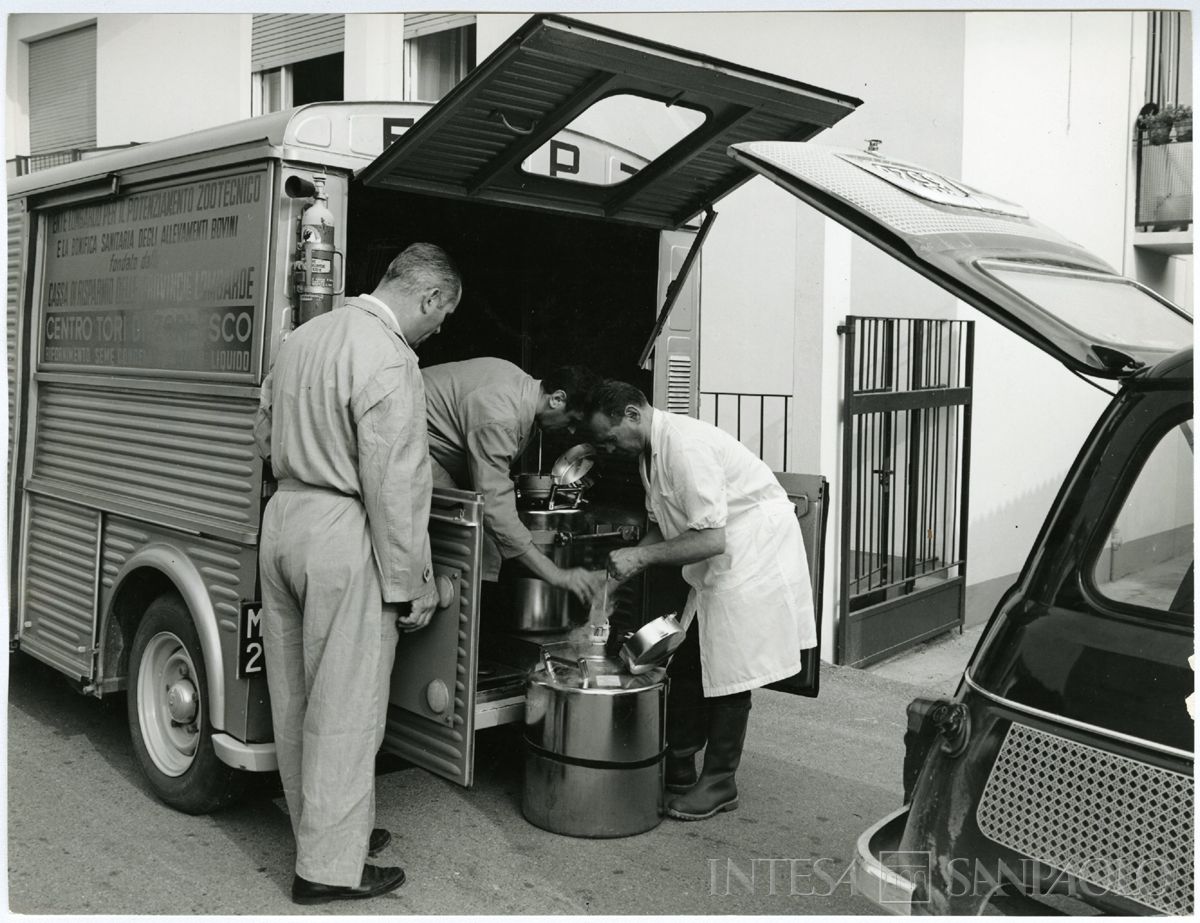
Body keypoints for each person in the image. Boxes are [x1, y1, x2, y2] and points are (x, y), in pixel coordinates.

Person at [254, 242, 462, 904]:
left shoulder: (303, 338)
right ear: (429, 297)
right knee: (346, 704)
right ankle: (327, 868)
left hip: (284, 517)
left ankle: (324, 829)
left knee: (294, 694)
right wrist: (414, 583)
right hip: (343, 530)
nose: (439, 330)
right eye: (443, 314)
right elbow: (395, 481)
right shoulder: (390, 357)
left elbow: (261, 431)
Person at [587, 380, 817, 821]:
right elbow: (664, 527)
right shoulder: (649, 456)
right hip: (722, 554)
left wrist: (640, 555)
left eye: (610, 436)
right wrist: (620, 574)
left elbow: (710, 539)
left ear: (633, 415)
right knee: (690, 654)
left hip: (750, 551)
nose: (608, 447)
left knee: (731, 668)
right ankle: (679, 762)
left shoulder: (685, 449)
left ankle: (719, 783)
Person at [422, 358, 600, 603]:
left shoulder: (519, 385)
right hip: (408, 439)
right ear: (556, 399)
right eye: (572, 421)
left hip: (430, 441)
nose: (570, 431)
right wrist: (556, 575)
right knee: (475, 535)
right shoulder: (501, 417)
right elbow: (495, 506)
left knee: (486, 541)